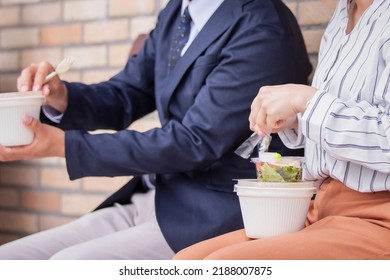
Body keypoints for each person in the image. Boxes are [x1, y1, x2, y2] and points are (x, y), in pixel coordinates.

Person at [0, 0, 312, 259]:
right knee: (12, 259)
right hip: (160, 197)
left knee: (69, 265)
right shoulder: (178, 12)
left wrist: (65, 147)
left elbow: (194, 141)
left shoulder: (262, 27)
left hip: (216, 214)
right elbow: (125, 94)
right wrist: (61, 97)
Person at [173, 0, 390, 260]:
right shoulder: (342, 14)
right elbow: (344, 119)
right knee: (187, 262)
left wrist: (307, 102)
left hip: (377, 217)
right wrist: (298, 119)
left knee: (221, 267)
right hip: (319, 206)